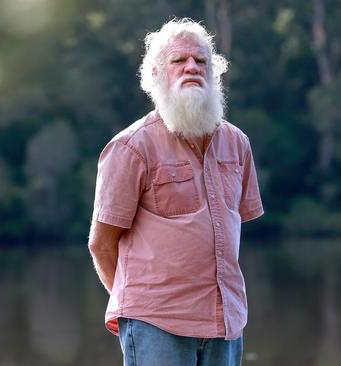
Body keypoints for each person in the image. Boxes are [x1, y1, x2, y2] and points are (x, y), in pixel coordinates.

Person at [87, 18, 263, 366]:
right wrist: (139, 304)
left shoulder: (237, 143)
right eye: (179, 61)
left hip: (225, 324)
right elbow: (101, 243)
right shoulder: (130, 148)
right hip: (157, 324)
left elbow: (235, 224)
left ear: (215, 74)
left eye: (201, 61)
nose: (192, 67)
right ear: (155, 75)